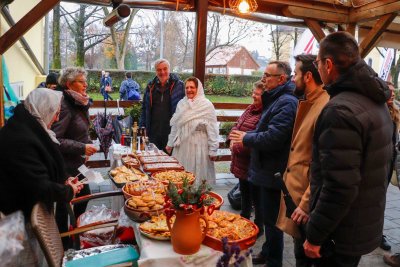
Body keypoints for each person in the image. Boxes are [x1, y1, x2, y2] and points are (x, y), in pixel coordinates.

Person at [303, 31, 393, 266]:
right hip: (359, 223)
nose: (317, 68)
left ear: (328, 64)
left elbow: (339, 186)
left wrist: (315, 235)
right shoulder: (376, 99)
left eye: (318, 63)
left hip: (338, 233)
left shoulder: (340, 111)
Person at [0, 88, 83, 266]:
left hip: (23, 215)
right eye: (55, 112)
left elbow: (40, 167)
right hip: (15, 221)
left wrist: (64, 180)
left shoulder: (27, 127)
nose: (56, 118)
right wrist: (68, 190)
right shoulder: (20, 139)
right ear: (43, 109)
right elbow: (36, 186)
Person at [230, 61, 298, 267]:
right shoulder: (275, 98)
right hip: (263, 170)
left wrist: (247, 138)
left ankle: (274, 261)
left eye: (268, 75)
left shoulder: (286, 102)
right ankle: (268, 252)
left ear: (281, 79)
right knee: (267, 217)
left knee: (273, 221)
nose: (264, 79)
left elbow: (275, 137)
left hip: (273, 171)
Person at [274, 54, 329, 267]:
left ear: (307, 76)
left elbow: (322, 165)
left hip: (307, 200)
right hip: (298, 195)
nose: (292, 79)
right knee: (299, 254)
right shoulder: (310, 101)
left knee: (304, 258)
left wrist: (305, 204)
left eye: (295, 74)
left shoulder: (325, 106)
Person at [51, 67, 98, 246]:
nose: (85, 84)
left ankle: (75, 232)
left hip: (78, 162)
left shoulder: (78, 101)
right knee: (65, 203)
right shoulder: (64, 104)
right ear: (69, 84)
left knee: (82, 196)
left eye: (85, 80)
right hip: (65, 164)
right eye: (81, 81)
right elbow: (55, 139)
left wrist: (84, 147)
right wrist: (82, 147)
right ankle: (64, 244)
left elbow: (79, 129)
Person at [165, 77, 219, 184]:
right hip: (182, 146)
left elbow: (212, 128)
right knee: (180, 176)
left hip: (199, 145)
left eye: (192, 87)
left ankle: (197, 197)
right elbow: (176, 125)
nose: (189, 90)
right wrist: (170, 143)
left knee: (197, 176)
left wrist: (213, 149)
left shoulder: (206, 105)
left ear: (198, 89)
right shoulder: (181, 103)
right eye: (187, 87)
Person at [228, 81, 264, 233]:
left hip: (253, 165)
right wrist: (232, 138)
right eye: (253, 92)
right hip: (242, 164)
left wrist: (235, 145)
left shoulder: (264, 114)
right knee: (244, 194)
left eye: (257, 94)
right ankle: (244, 221)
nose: (253, 96)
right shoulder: (250, 109)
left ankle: (258, 227)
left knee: (256, 197)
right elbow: (237, 125)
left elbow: (255, 141)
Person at [140, 59, 185, 151]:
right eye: (159, 70)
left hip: (171, 131)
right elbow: (144, 108)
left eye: (165, 69)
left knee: (170, 162)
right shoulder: (150, 86)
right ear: (156, 71)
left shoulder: (179, 86)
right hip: (153, 131)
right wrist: (142, 128)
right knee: (153, 160)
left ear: (169, 69)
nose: (162, 72)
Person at [383, 81, 400, 267]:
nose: (393, 95)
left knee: (382, 200)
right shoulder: (376, 109)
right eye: (390, 91)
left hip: (391, 163)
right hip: (379, 163)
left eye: (394, 92)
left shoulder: (395, 111)